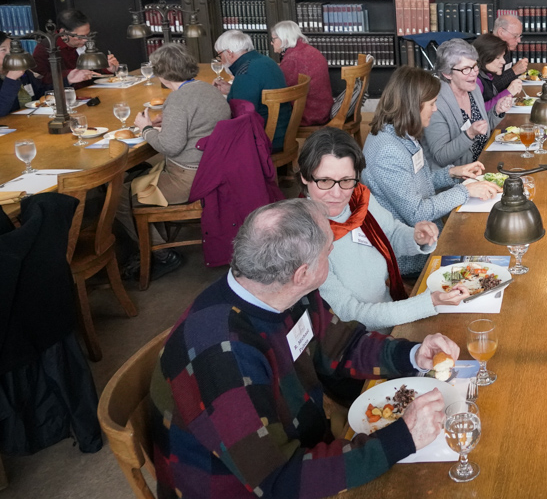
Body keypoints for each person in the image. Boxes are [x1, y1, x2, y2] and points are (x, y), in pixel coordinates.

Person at [150, 198, 458, 499]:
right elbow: (277, 481)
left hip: (301, 449)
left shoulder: (280, 290)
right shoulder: (222, 354)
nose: (333, 250)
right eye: (328, 250)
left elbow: (341, 345)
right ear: (301, 273)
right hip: (247, 485)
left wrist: (410, 354)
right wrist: (401, 439)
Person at [300, 127, 469, 332]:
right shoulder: (302, 237)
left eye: (346, 180)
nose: (337, 193)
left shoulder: (359, 200)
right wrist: (427, 303)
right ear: (304, 177)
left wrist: (416, 237)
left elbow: (391, 233)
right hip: (360, 340)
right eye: (325, 181)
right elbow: (349, 314)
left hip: (394, 313)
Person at [361, 66, 500, 275]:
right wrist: (466, 191)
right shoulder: (388, 150)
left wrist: (453, 173)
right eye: (432, 104)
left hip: (430, 233)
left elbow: (419, 183)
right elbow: (417, 212)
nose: (435, 109)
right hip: (411, 252)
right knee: (485, 244)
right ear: (413, 105)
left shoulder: (401, 132)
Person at [117, 43, 231, 279]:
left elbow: (169, 146)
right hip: (213, 171)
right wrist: (166, 122)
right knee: (141, 177)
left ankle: (162, 256)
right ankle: (156, 242)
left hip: (189, 178)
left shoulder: (178, 100)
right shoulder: (208, 89)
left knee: (119, 197)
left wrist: (145, 128)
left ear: (160, 73)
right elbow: (195, 124)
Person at [424, 38, 513, 169]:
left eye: (474, 66)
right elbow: (441, 157)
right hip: (455, 181)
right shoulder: (436, 103)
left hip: (482, 164)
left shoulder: (473, 89)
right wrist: (469, 134)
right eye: (466, 69)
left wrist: (496, 112)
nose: (474, 73)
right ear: (447, 74)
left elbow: (482, 129)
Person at [213, 29, 290, 151]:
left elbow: (240, 118)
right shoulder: (267, 61)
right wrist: (232, 89)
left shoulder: (245, 72)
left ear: (229, 53)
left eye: (220, 55)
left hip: (265, 139)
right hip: (284, 131)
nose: (221, 60)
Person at [31, 8, 120, 87]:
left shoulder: (86, 42)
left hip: (90, 92)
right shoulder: (45, 48)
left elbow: (95, 72)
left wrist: (108, 69)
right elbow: (40, 81)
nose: (85, 40)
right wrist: (69, 76)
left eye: (88, 35)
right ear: (63, 33)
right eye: (81, 36)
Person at [272, 20, 333, 126]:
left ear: (284, 39)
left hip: (308, 114)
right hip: (323, 107)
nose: (271, 43)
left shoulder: (292, 59)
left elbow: (280, 89)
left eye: (273, 39)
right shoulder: (309, 50)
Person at [0, 31, 49, 116]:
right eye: (3, 50)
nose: (10, 53)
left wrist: (68, 80)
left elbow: (40, 93)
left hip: (28, 120)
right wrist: (11, 80)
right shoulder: (13, 75)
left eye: (11, 48)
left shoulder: (22, 71)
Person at [474, 33, 525, 111]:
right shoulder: (475, 81)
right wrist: (508, 92)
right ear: (484, 57)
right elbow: (479, 111)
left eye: (503, 56)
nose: (503, 61)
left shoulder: (488, 75)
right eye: (498, 58)